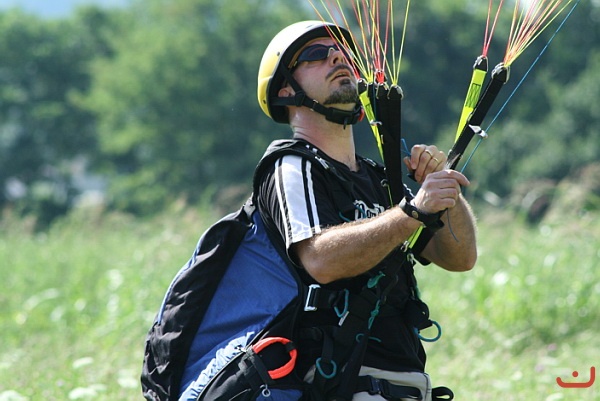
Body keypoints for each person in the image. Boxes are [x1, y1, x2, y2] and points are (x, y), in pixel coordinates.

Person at [255, 21, 478, 401]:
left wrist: (443, 190)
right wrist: (412, 211)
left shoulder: (378, 179)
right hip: (338, 382)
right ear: (286, 90)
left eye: (342, 52)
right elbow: (320, 260)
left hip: (405, 382)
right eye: (316, 54)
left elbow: (459, 257)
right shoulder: (292, 166)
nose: (337, 57)